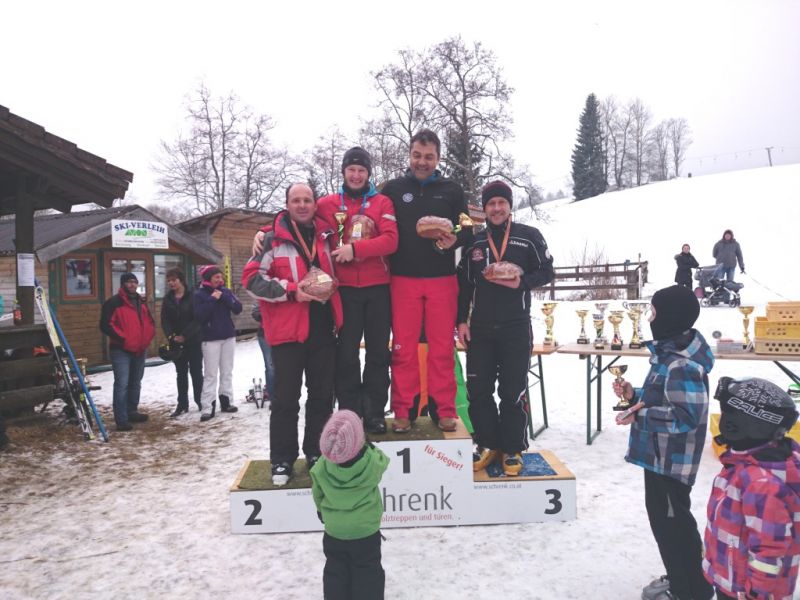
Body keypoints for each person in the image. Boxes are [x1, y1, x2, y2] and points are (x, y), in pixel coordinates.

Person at [612, 284, 715, 600]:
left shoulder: (682, 364)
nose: (650, 319)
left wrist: (640, 417)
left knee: (675, 528)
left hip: (671, 464)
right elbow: (663, 398)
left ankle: (690, 590)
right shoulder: (668, 355)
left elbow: (685, 417)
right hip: (658, 458)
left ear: (670, 318)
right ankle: (683, 576)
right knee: (667, 525)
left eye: (654, 313)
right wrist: (634, 396)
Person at [242, 182, 343, 486]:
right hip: (287, 331)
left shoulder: (327, 236)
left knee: (322, 397)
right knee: (285, 399)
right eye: (296, 200)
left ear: (315, 204)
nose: (302, 205)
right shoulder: (271, 240)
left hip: (323, 328)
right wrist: (290, 291)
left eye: (307, 200)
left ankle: (317, 452)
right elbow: (251, 280)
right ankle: (282, 460)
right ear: (287, 205)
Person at [456, 180, 554, 476]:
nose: (496, 208)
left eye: (501, 203)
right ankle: (487, 443)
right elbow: (464, 285)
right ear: (484, 208)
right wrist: (461, 320)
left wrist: (522, 283)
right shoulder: (475, 242)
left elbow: (547, 271)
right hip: (481, 328)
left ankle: (512, 447)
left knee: (513, 391)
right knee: (479, 390)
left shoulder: (528, 236)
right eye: (491, 203)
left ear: (509, 206)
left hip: (516, 326)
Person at [381, 129, 469, 434]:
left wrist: (455, 240)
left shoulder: (451, 190)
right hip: (402, 280)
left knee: (442, 348)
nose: (422, 162)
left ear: (438, 159)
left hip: (442, 280)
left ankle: (445, 410)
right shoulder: (393, 189)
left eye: (429, 157)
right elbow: (372, 217)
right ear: (409, 155)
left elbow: (467, 229)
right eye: (417, 155)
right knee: (403, 348)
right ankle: (402, 410)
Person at [316, 147, 398, 434]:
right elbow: (298, 216)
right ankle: (350, 413)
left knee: (378, 354)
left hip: (378, 289)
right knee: (347, 355)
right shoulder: (327, 204)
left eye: (361, 170)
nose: (356, 175)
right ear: (343, 172)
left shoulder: (382, 202)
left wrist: (356, 249)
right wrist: (265, 230)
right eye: (351, 169)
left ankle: (374, 412)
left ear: (368, 174)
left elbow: (391, 241)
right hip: (344, 291)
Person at [703, 377, 800, 600]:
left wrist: (755, 593)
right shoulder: (743, 464)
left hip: (746, 591)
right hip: (732, 579)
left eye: (727, 413)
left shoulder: (760, 484)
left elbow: (769, 549)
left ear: (740, 424)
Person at [310, 410, 389, 600]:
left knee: (335, 571)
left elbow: (317, 493)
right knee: (367, 572)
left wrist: (321, 512)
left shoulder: (322, 466)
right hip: (365, 531)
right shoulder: (371, 462)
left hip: (334, 531)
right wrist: (368, 445)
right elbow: (383, 460)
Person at [99, 272, 155, 431]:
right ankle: (121, 418)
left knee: (136, 382)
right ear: (123, 284)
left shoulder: (141, 302)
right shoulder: (113, 303)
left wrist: (147, 337)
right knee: (122, 383)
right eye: (129, 282)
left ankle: (132, 411)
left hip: (140, 348)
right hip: (121, 350)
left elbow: (149, 321)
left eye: (135, 282)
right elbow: (105, 325)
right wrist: (124, 339)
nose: (132, 285)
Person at [193, 265, 242, 422]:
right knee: (211, 374)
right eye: (217, 277)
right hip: (210, 339)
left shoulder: (226, 291)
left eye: (221, 277)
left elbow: (238, 308)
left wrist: (226, 297)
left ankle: (227, 402)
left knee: (227, 371)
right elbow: (199, 316)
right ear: (208, 278)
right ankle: (208, 407)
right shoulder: (199, 294)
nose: (220, 280)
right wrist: (212, 299)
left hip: (228, 336)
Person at [161, 267, 204, 417]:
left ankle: (200, 401)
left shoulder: (194, 296)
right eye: (169, 281)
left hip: (193, 340)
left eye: (174, 280)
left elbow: (198, 319)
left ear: (181, 280)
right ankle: (182, 404)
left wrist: (185, 335)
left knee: (196, 372)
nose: (171, 283)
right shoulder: (168, 299)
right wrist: (171, 336)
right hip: (176, 343)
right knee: (181, 374)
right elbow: (165, 320)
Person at [250, 303, 275, 401]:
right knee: (270, 367)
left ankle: (284, 396)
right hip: (265, 334)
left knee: (284, 367)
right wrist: (266, 315)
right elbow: (255, 312)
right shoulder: (262, 295)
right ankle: (273, 398)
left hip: (284, 333)